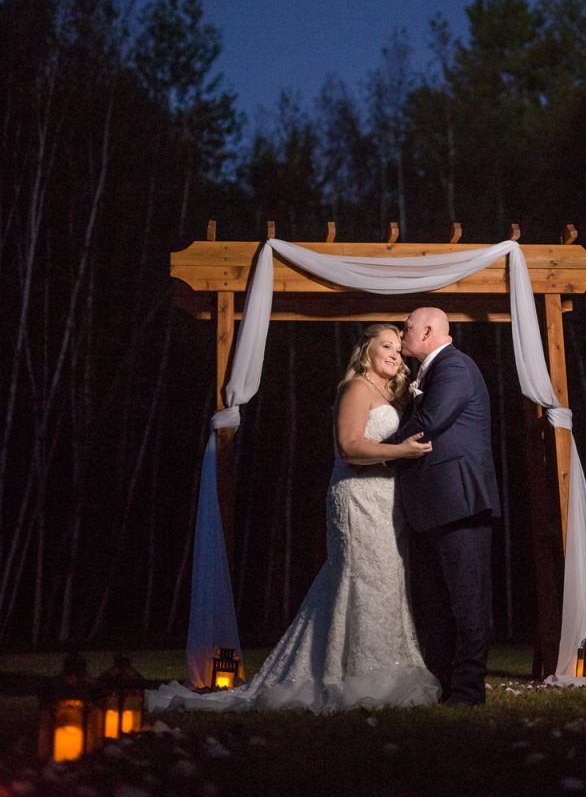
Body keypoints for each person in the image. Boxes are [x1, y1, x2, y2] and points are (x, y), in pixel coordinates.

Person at [147, 323, 441, 714]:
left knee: (386, 580)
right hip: (356, 497)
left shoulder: (393, 393)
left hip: (387, 500)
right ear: (366, 350)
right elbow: (349, 447)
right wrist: (402, 452)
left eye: (396, 347)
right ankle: (352, 675)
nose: (393, 352)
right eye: (384, 345)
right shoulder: (354, 389)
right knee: (360, 577)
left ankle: (387, 666)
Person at [386, 306, 500, 706]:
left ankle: (469, 692)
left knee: (467, 603)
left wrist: (378, 449)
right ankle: (443, 688)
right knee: (433, 607)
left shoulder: (454, 367)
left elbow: (431, 420)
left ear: (429, 330)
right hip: (430, 506)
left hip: (459, 503)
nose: (402, 334)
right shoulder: (428, 372)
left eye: (407, 327)